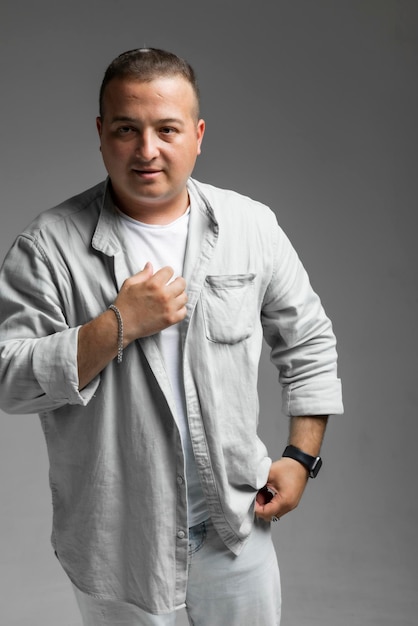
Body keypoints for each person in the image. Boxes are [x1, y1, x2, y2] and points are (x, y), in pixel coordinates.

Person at [0, 48, 343, 625]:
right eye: (127, 129)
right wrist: (118, 325)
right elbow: (9, 378)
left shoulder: (250, 226)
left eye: (167, 129)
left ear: (198, 134)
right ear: (101, 133)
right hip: (117, 540)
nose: (147, 150)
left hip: (236, 524)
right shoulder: (48, 246)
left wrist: (301, 455)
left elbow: (307, 338)